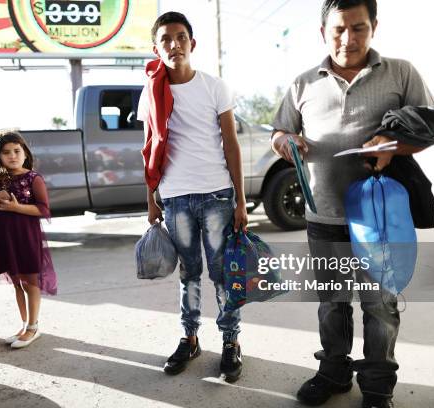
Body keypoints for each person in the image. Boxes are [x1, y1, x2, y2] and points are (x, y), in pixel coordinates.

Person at [271, 1, 434, 407]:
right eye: (339, 30)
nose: (348, 39)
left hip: (379, 220)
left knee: (380, 307)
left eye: (359, 28)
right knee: (332, 303)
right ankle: (334, 371)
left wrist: (392, 146)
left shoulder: (401, 72)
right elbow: (280, 132)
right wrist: (286, 143)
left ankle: (378, 387)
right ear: (323, 31)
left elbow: (432, 127)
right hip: (323, 218)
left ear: (374, 26)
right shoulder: (303, 83)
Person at [137, 11, 248, 382]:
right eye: (166, 38)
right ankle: (190, 337)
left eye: (181, 36)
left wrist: (241, 200)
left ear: (192, 43)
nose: (174, 44)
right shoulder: (151, 91)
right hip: (175, 196)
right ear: (157, 47)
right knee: (190, 273)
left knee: (221, 273)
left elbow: (231, 144)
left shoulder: (215, 87)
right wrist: (152, 197)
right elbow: (149, 145)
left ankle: (231, 341)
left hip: (217, 193)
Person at [0, 131, 57, 349]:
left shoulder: (33, 178)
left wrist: (17, 207)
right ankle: (24, 324)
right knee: (17, 283)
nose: (12, 156)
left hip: (26, 237)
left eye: (17, 151)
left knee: (30, 282)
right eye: (6, 152)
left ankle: (33, 326)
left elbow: (44, 209)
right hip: (4, 238)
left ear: (25, 153)